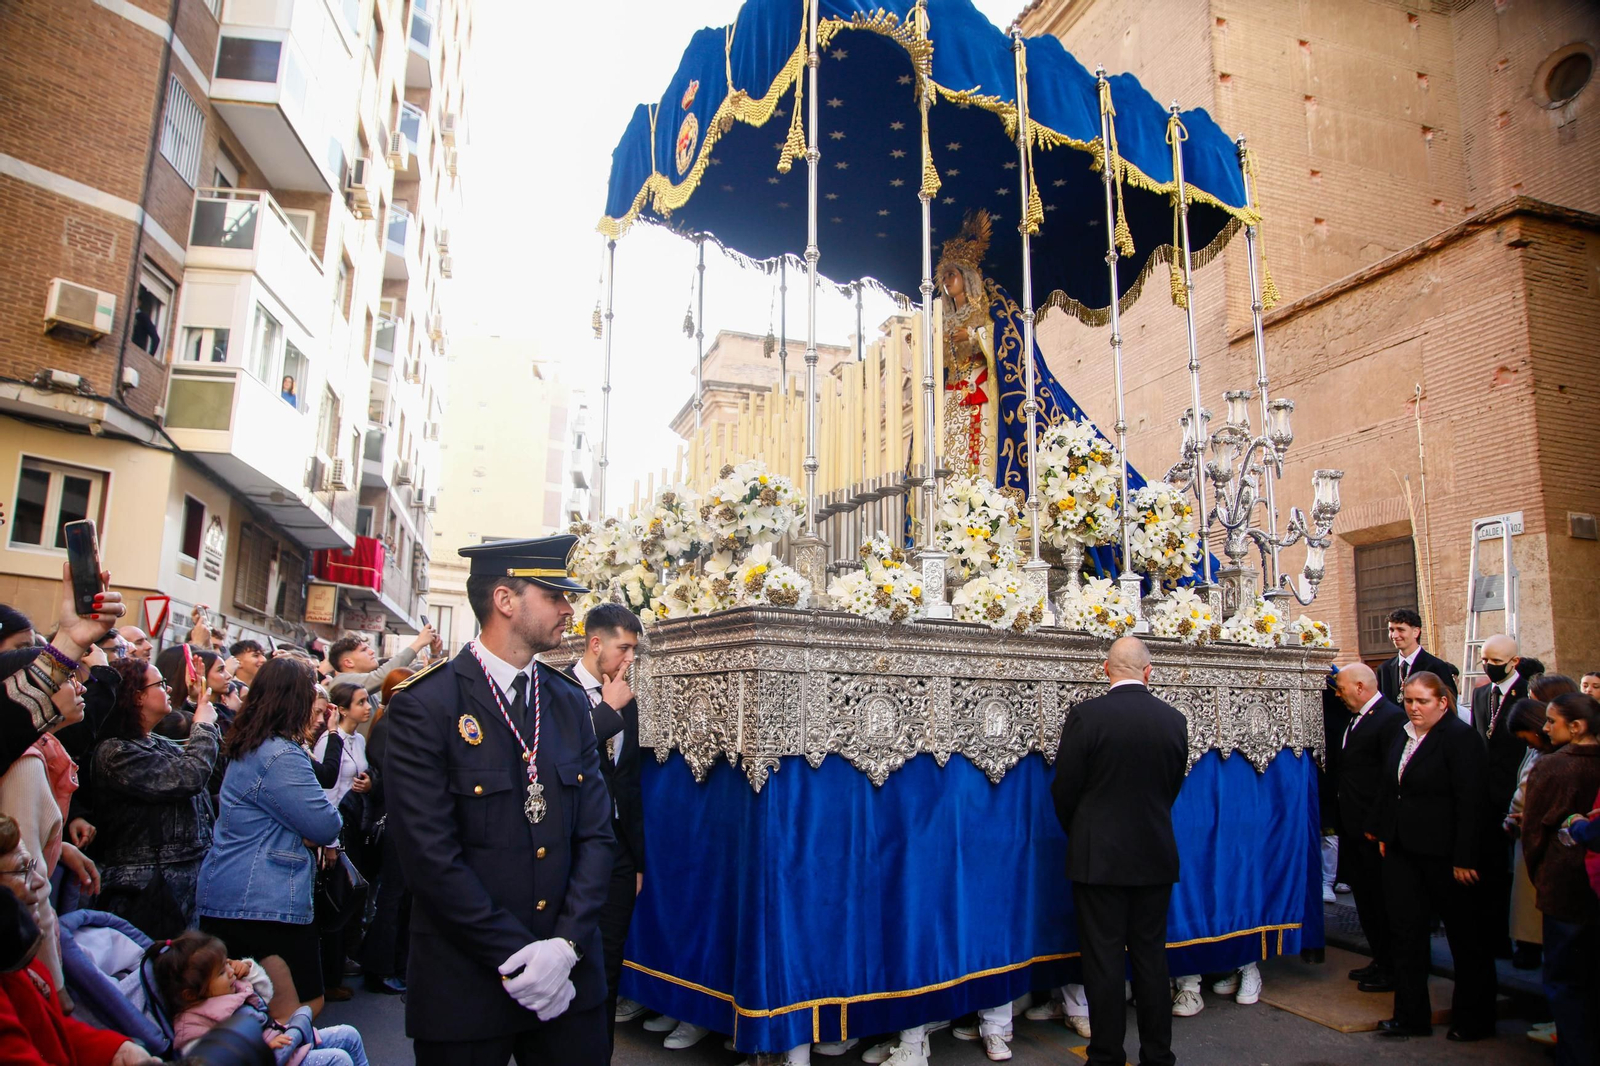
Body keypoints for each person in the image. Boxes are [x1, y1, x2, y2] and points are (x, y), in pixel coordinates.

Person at [385, 534, 613, 1065]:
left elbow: (597, 835)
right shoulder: (427, 705)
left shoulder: (567, 701)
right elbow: (430, 858)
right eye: (554, 595)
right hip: (466, 985)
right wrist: (518, 954)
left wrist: (563, 948)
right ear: (505, 601)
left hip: (568, 981)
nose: (568, 609)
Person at [1051, 636, 1187, 1066]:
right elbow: (1172, 785)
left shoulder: (1086, 717)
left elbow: (1065, 788)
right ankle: (1158, 1055)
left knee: (1103, 960)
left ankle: (1106, 1055)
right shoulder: (1173, 719)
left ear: (1104, 669)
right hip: (1154, 853)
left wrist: (1086, 831)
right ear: (1149, 672)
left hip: (1098, 859)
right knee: (1151, 957)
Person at [196, 657, 344, 1017]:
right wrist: (308, 833)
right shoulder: (281, 754)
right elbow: (325, 824)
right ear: (292, 701)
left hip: (237, 893)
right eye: (310, 698)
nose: (318, 709)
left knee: (245, 1010)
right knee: (294, 1012)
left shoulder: (251, 744)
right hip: (263, 901)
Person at [1374, 671, 1496, 1040]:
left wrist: (1465, 857)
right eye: (1408, 700)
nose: (1413, 708)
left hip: (1447, 856)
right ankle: (1411, 1016)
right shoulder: (1402, 733)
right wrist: (1386, 832)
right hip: (1403, 852)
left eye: (1421, 701)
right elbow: (1391, 786)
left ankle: (1474, 1020)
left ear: (1443, 703)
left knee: (1466, 938)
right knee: (1406, 934)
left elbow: (1472, 802)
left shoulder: (1460, 739)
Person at [0, 814, 155, 1065]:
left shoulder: (23, 962)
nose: (40, 880)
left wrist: (117, 1050)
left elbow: (53, 1031)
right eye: (22, 869)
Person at [91, 656, 219, 940]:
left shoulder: (155, 742)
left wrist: (198, 708)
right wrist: (204, 726)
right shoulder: (117, 753)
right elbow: (188, 776)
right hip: (145, 889)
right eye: (161, 684)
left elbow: (203, 764)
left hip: (182, 883)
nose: (169, 689)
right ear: (137, 697)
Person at [564, 603, 643, 1058]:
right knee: (567, 962)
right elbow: (560, 760)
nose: (629, 659)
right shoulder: (556, 691)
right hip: (568, 851)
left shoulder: (624, 698)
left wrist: (637, 861)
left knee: (607, 968)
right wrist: (608, 712)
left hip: (617, 856)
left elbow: (628, 783)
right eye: (624, 648)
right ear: (596, 644)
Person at [1521, 692, 1600, 1065]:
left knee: (1567, 981)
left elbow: (1534, 830)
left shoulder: (1553, 767)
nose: (1545, 727)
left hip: (1565, 886)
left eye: (1552, 721)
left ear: (1577, 726)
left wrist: (1540, 871)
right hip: (1583, 886)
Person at [155, 930, 369, 1066]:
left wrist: (248, 970)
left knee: (349, 1035)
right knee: (338, 1060)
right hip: (273, 1057)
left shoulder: (232, 990)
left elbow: (265, 994)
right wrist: (260, 1051)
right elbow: (212, 1060)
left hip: (285, 1043)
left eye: (227, 964)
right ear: (191, 993)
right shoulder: (191, 1025)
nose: (230, 971)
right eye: (221, 972)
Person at [1331, 662, 1405, 993]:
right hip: (1354, 826)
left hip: (1373, 829)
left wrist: (1380, 825)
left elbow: (1389, 780)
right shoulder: (1356, 718)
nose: (1339, 694)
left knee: (1383, 901)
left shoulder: (1390, 719)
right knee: (1367, 901)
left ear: (1361, 687)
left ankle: (1393, 966)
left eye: (1343, 688)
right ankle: (1380, 959)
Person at [1470, 635, 1542, 958]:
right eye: (1484, 660)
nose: (1488, 666)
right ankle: (1496, 937)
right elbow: (1477, 741)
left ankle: (1527, 944)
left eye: (1496, 663)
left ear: (1514, 662)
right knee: (1493, 874)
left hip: (1517, 794)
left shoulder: (1529, 693)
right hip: (1487, 799)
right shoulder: (1481, 692)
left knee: (1522, 876)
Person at [311, 682, 372, 1002]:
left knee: (354, 893)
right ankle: (330, 971)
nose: (367, 707)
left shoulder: (360, 739)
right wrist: (329, 840)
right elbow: (326, 791)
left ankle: (345, 955)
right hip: (335, 829)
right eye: (360, 702)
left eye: (368, 701)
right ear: (343, 709)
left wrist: (367, 782)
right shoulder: (326, 742)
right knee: (336, 896)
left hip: (354, 824)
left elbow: (358, 773)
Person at [359, 669, 413, 996]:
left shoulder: (397, 726)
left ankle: (392, 963)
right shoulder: (388, 728)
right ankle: (379, 967)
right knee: (392, 898)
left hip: (403, 822)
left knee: (402, 897)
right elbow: (391, 779)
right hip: (394, 822)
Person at [1376, 609, 1458, 704]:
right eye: (1391, 630)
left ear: (1416, 632)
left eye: (1400, 630)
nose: (1394, 635)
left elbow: (1449, 704)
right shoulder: (1384, 669)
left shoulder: (1437, 666)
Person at [327, 626, 437, 696]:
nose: (372, 652)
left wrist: (434, 654)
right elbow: (381, 676)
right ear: (348, 662)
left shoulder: (370, 690)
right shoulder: (340, 683)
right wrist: (419, 643)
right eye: (364, 650)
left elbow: (410, 673)